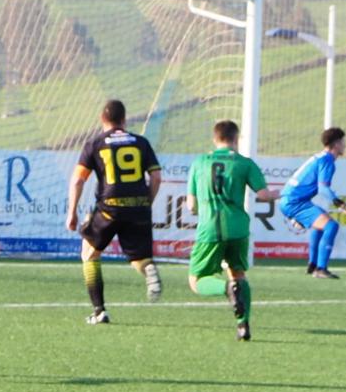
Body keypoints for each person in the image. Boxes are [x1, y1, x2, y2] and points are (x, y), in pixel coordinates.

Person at [66, 99, 163, 323]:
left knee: (89, 254)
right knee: (138, 258)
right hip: (138, 207)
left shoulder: (95, 143)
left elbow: (78, 180)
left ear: (102, 119)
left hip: (110, 207)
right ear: (124, 119)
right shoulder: (141, 142)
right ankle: (148, 268)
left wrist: (72, 212)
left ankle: (99, 311)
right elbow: (156, 177)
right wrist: (146, 203)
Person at [186, 119, 281, 341]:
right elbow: (264, 195)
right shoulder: (245, 163)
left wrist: (203, 208)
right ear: (236, 139)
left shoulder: (199, 163)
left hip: (210, 229)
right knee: (239, 274)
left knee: (197, 281)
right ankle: (243, 325)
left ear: (215, 138)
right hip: (238, 228)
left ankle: (226, 289)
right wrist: (283, 193)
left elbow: (191, 206)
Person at [279, 126, 346, 280]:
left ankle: (312, 265)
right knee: (331, 226)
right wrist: (342, 206)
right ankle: (321, 268)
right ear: (336, 144)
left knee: (320, 225)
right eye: (343, 142)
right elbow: (323, 188)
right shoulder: (327, 160)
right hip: (295, 202)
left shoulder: (319, 157)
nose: (345, 145)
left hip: (290, 200)